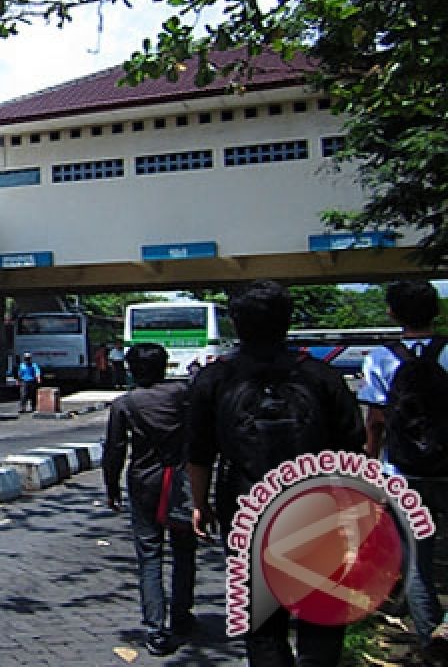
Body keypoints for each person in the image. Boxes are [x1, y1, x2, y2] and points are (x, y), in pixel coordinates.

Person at [188, 280, 365, 666]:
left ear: (235, 322)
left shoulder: (214, 379)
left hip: (246, 508)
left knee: (261, 622)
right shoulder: (322, 377)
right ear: (288, 321)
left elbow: (198, 452)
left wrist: (199, 504)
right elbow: (354, 447)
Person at [358, 279, 448, 665]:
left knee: (416, 558)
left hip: (402, 470)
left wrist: (371, 466)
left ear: (392, 312)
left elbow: (376, 420)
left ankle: (431, 642)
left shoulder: (380, 357)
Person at [102, 342, 196, 656]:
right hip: (182, 481)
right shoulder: (184, 395)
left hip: (143, 482)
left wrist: (111, 486)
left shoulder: (124, 404)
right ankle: (182, 616)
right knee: (184, 550)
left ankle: (156, 630)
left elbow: (115, 450)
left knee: (149, 555)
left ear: (130, 369)